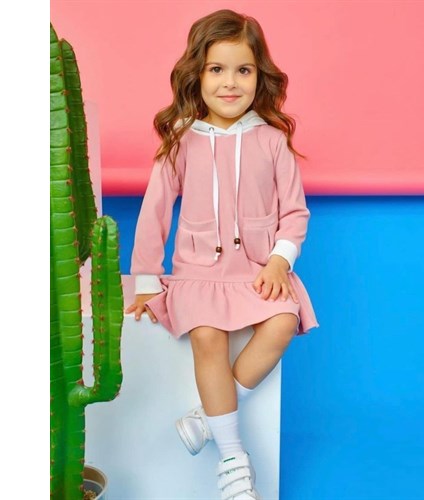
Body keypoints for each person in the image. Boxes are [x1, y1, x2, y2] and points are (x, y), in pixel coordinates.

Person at [125, 8, 319, 500]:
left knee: (283, 322)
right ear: (197, 74)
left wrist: (279, 260)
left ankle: (206, 418)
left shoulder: (273, 141)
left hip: (256, 272)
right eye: (217, 69)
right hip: (197, 273)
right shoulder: (180, 140)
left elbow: (295, 212)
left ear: (259, 76)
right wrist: (146, 282)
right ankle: (234, 459)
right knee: (207, 336)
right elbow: (154, 214)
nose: (230, 82)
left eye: (243, 70)